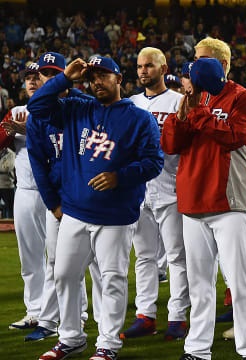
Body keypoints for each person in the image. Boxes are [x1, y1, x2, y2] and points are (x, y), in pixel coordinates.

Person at [28, 55, 163, 360]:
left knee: (112, 278)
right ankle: (72, 337)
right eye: (92, 77)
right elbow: (36, 108)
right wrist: (65, 77)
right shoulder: (77, 108)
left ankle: (108, 345)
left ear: (119, 79)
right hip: (75, 212)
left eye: (104, 75)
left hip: (115, 216)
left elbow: (154, 162)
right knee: (63, 275)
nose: (97, 82)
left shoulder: (139, 118)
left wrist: (120, 176)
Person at [160, 38, 246, 360]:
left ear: (219, 65)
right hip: (193, 203)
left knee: (240, 283)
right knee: (200, 284)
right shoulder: (188, 101)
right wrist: (181, 116)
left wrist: (200, 112)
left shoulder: (243, 98)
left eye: (201, 61)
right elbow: (170, 144)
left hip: (230, 202)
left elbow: (234, 135)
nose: (195, 68)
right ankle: (197, 349)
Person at [24, 51, 103, 342]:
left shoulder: (84, 104)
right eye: (45, 74)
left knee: (98, 265)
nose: (46, 78)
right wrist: (53, 204)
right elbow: (37, 164)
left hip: (88, 197)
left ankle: (102, 321)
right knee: (57, 263)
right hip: (59, 200)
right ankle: (50, 320)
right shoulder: (37, 115)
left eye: (53, 72)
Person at [120, 47, 189, 342]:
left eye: (149, 65)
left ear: (163, 68)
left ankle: (178, 316)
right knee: (144, 257)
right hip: (138, 190)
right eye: (139, 66)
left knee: (176, 256)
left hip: (170, 187)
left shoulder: (178, 101)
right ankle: (145, 315)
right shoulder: (130, 104)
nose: (143, 71)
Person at [1, 62, 46, 332]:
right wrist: (8, 130)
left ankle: (71, 311)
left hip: (59, 193)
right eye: (27, 77)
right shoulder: (17, 112)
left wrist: (29, 131)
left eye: (36, 76)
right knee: (29, 257)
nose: (31, 81)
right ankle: (35, 311)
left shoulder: (60, 109)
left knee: (62, 259)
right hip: (26, 191)